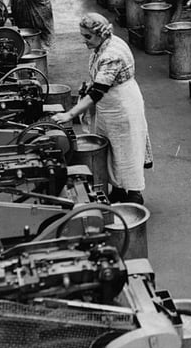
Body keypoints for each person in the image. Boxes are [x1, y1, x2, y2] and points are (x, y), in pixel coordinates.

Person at [51, 12, 152, 204]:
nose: (84, 41)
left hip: (121, 106)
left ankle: (134, 196)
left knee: (126, 150)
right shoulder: (104, 44)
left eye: (87, 36)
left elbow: (98, 92)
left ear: (101, 34)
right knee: (112, 149)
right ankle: (119, 191)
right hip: (109, 105)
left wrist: (69, 114)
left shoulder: (112, 54)